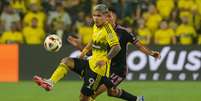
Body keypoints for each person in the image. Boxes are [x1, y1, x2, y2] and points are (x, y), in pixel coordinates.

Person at [67, 7, 161, 101]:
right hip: (104, 69)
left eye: (110, 16)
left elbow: (139, 46)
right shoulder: (99, 31)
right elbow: (91, 53)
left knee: (92, 95)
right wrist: (79, 46)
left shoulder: (124, 32)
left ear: (115, 17)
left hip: (118, 70)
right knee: (111, 92)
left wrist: (151, 53)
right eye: (106, 17)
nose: (108, 19)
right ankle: (137, 99)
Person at [33, 4, 121, 101]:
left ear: (105, 16)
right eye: (94, 15)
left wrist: (105, 59)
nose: (96, 18)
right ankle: (50, 82)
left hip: (98, 72)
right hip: (90, 63)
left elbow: (117, 47)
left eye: (99, 16)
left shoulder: (108, 31)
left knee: (83, 99)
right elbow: (93, 39)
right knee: (66, 61)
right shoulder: (96, 26)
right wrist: (84, 51)